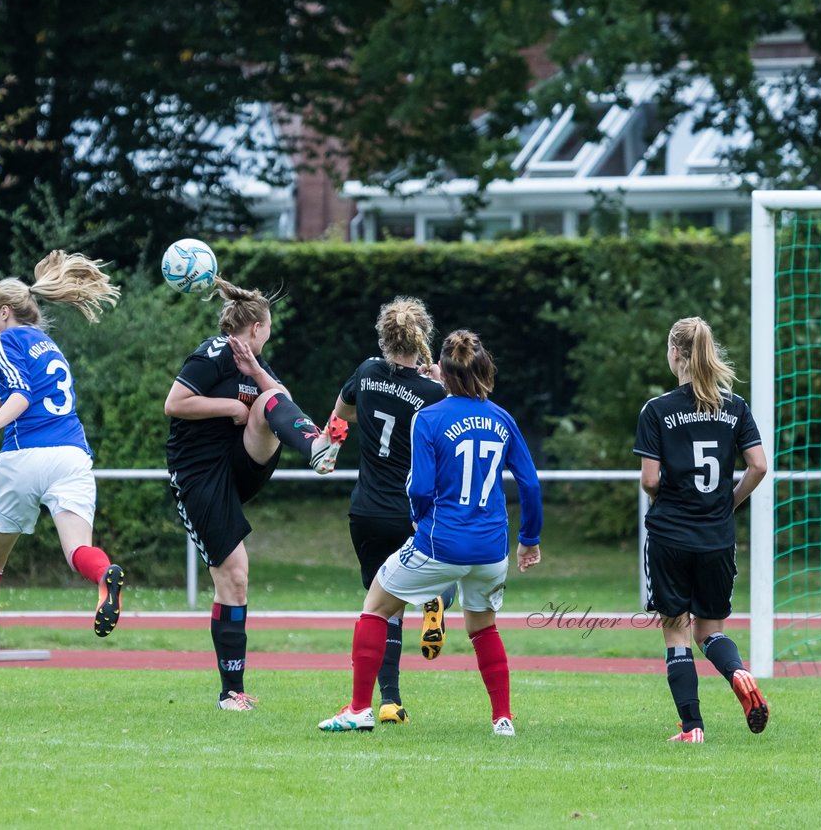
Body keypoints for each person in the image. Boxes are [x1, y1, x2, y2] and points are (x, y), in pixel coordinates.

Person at [318, 330, 543, 736]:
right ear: (486, 370)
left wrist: (420, 519)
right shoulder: (502, 418)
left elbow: (420, 487)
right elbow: (529, 484)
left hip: (441, 542)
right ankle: (502, 719)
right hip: (492, 551)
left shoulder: (430, 416)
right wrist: (530, 539)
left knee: (375, 606)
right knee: (483, 628)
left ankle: (358, 709)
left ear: (444, 371)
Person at [165, 274, 347, 711]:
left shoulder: (253, 363)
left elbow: (281, 399)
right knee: (235, 576)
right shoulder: (212, 353)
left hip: (242, 464)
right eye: (269, 327)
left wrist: (256, 373)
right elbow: (175, 403)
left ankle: (316, 448)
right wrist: (229, 405)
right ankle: (231, 692)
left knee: (269, 401)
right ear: (258, 327)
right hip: (200, 477)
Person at [0, 250, 125, 684]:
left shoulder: (5, 340)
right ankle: (105, 574)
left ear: (4, 312)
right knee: (77, 550)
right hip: (72, 455)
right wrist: (0, 400)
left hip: (27, 457)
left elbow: (24, 397)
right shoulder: (49, 345)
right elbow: (32, 394)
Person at [633, 316, 769, 743]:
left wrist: (670, 500)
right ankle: (740, 674)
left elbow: (650, 480)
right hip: (717, 536)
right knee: (710, 630)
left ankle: (692, 727)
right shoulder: (736, 407)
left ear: (676, 353)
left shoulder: (656, 410)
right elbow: (759, 466)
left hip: (671, 535)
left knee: (676, 629)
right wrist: (728, 501)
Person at [329, 297, 457, 725]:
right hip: (411, 513)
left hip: (365, 511)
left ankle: (389, 700)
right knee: (440, 580)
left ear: (384, 337)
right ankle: (435, 601)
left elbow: (341, 413)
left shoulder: (366, 373)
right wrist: (442, 382)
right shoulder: (435, 392)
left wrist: (331, 445)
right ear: (424, 337)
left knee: (380, 608)